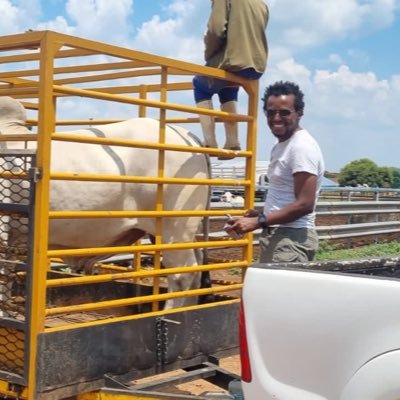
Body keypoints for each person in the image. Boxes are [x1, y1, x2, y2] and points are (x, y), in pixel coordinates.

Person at [226, 81, 325, 262]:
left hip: (291, 240)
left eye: (284, 112)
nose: (276, 118)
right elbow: (286, 196)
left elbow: (305, 204)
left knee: (280, 291)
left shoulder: (301, 147)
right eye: (271, 113)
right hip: (279, 236)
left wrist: (259, 221)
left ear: (299, 113)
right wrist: (261, 214)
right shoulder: (281, 145)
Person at [193, 0, 269, 157]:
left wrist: (208, 52)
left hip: (233, 61)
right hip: (257, 64)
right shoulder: (261, 4)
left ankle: (210, 143)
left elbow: (216, 30)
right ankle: (232, 142)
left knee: (200, 84)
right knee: (228, 85)